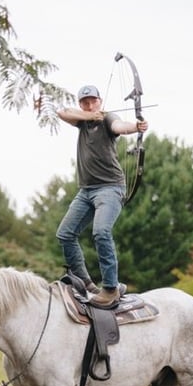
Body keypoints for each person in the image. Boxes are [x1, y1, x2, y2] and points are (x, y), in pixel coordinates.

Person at [56, 85, 149, 308]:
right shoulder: (82, 121)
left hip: (110, 188)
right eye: (85, 102)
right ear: (81, 104)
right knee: (65, 234)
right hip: (86, 190)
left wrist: (135, 126)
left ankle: (111, 288)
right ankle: (86, 284)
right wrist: (88, 115)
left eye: (93, 101)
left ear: (100, 101)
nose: (89, 105)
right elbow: (61, 112)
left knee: (101, 231)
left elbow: (120, 126)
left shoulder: (108, 119)